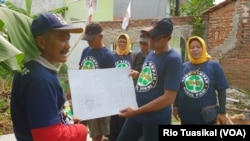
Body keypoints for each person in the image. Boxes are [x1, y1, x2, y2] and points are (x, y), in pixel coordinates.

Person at [10, 12, 88, 141]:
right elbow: (48, 136)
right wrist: (80, 131)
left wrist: (66, 121)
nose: (68, 46)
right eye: (62, 39)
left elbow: (39, 118)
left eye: (68, 39)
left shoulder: (31, 68)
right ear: (41, 42)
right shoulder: (41, 80)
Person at [117, 18, 183, 141]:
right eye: (148, 35)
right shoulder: (151, 52)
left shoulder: (173, 60)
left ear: (166, 38)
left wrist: (136, 111)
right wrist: (139, 75)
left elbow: (168, 98)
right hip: (137, 112)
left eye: (153, 37)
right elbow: (153, 76)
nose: (149, 40)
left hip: (155, 119)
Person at [173, 36, 230, 125]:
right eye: (192, 47)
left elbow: (222, 89)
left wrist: (222, 112)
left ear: (203, 48)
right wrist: (175, 106)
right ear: (188, 49)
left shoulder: (214, 66)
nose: (195, 50)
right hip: (185, 116)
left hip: (206, 117)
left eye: (198, 47)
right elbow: (178, 88)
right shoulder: (183, 67)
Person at [79, 22, 115, 141]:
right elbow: (80, 70)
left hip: (99, 100)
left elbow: (110, 81)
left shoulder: (108, 56)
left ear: (100, 37)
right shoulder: (85, 51)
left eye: (92, 39)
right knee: (80, 127)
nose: (89, 42)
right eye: (87, 39)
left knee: (97, 133)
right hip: (84, 96)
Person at [109, 33, 133, 141]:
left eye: (124, 41)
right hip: (115, 92)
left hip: (127, 92)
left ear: (128, 43)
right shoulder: (113, 55)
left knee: (125, 116)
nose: (122, 43)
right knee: (114, 117)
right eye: (120, 41)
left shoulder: (132, 56)